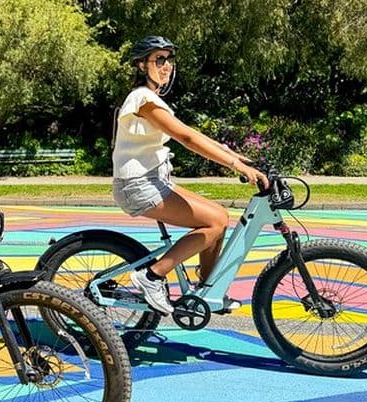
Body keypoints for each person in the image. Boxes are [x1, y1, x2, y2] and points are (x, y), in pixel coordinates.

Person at [112, 36, 268, 315]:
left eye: (169, 60)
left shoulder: (152, 98)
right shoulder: (142, 99)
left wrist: (241, 158)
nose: (166, 66)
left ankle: (208, 292)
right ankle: (152, 276)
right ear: (140, 65)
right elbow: (185, 137)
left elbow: (192, 132)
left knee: (220, 215)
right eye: (159, 60)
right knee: (215, 221)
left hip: (154, 181)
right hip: (137, 186)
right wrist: (235, 165)